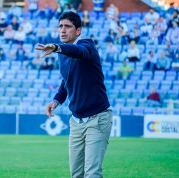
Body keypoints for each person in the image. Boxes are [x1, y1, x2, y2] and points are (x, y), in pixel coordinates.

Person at [35, 11, 112, 178]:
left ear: (78, 31)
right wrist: (56, 101)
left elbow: (78, 51)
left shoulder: (88, 46)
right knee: (76, 174)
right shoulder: (62, 54)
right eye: (60, 26)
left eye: (67, 26)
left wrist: (57, 47)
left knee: (92, 173)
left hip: (97, 119)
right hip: (76, 121)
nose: (62, 30)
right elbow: (66, 81)